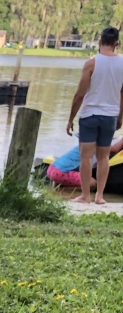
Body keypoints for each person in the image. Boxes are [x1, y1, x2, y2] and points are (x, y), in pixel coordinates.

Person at [66, 26, 123, 204]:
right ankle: (99, 196)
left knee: (86, 157)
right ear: (116, 44)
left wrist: (70, 119)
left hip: (90, 115)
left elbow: (80, 94)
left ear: (99, 43)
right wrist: (120, 117)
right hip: (110, 116)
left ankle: (85, 196)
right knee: (103, 156)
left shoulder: (91, 63)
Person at [47, 137, 123, 191]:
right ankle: (61, 189)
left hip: (52, 168)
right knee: (92, 184)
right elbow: (114, 149)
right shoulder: (93, 145)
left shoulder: (86, 142)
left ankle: (60, 185)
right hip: (60, 172)